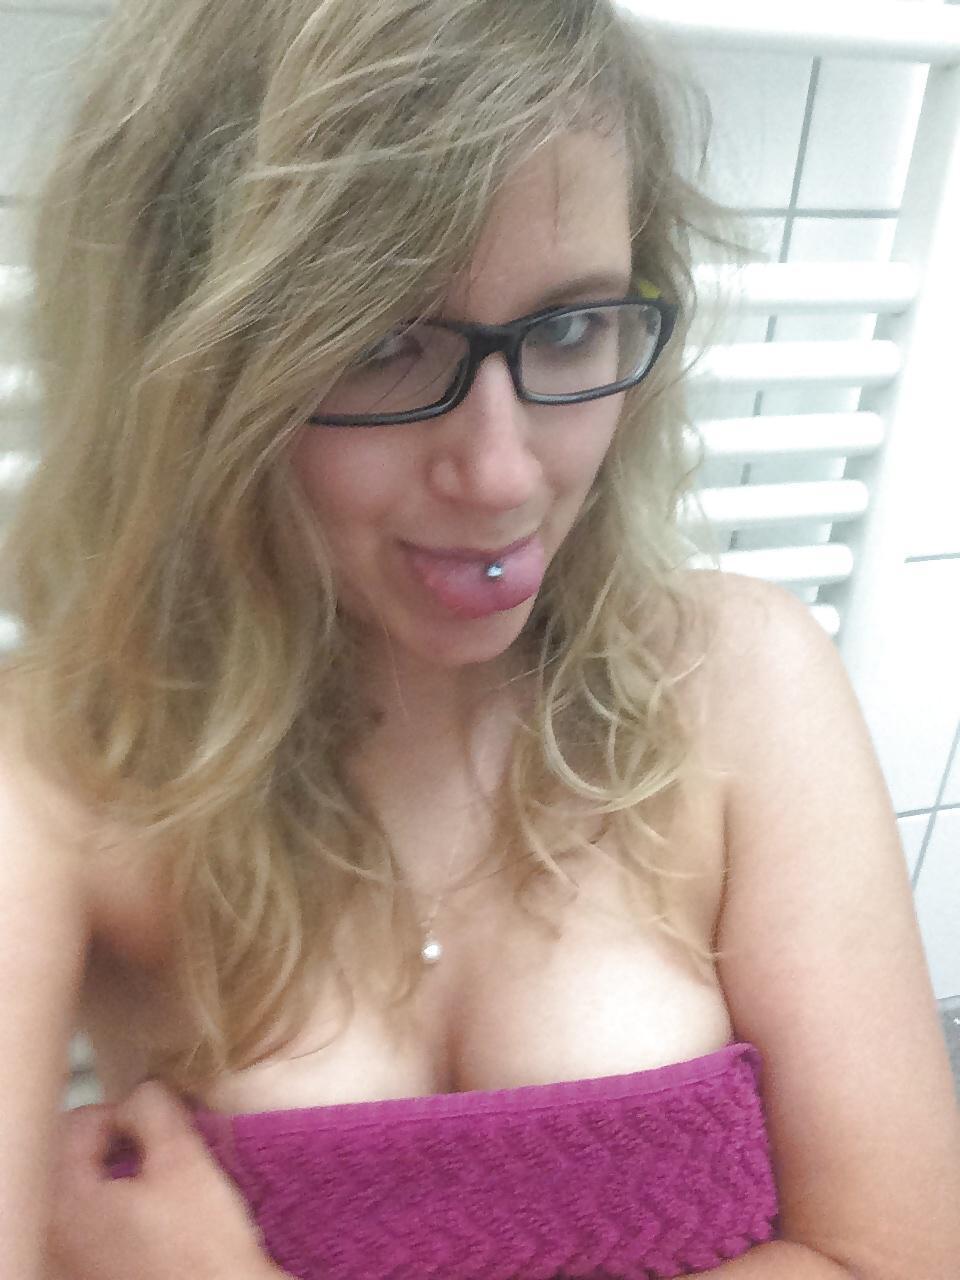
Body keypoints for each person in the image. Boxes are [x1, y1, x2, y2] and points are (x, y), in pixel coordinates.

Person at [2, 1, 958, 1278]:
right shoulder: (63, 767)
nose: (503, 473)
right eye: (380, 344)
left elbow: (897, 1254)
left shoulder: (740, 681)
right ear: (190, 370)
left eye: (566, 328)